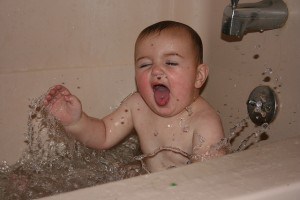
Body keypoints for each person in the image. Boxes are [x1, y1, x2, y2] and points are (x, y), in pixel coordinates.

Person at [44, 20, 225, 173]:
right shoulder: (137, 106)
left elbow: (206, 178)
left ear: (199, 76)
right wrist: (76, 122)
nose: (156, 70)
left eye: (170, 62)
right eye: (145, 65)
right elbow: (104, 134)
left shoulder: (205, 122)